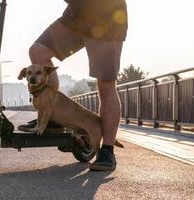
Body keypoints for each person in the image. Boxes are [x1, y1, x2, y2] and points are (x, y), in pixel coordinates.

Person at [19, 0, 128, 171]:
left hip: (107, 17)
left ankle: (107, 150)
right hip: (77, 16)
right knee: (38, 51)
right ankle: (53, 119)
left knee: (106, 83)